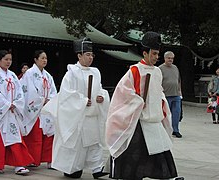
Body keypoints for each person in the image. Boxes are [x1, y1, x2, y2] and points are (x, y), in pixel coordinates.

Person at [105, 32, 184, 180]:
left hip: (153, 118)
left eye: (157, 54)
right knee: (134, 151)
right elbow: (123, 93)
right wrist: (137, 101)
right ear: (145, 53)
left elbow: (159, 93)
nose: (156, 57)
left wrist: (161, 105)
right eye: (153, 54)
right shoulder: (135, 70)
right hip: (138, 119)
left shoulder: (157, 72)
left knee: (160, 149)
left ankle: (167, 177)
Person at [41, 37, 110, 179]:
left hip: (92, 115)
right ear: (79, 55)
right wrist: (83, 101)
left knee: (94, 142)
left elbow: (100, 89)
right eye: (87, 55)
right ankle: (72, 168)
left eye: (92, 55)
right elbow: (67, 94)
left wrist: (101, 97)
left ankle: (97, 168)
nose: (90, 58)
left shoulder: (96, 72)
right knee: (77, 145)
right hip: (78, 116)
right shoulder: (72, 73)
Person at [0, 50, 33, 175]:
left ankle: (19, 165)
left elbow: (20, 92)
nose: (8, 62)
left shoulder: (13, 75)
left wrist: (16, 103)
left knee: (14, 137)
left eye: (10, 59)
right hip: (0, 112)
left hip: (11, 112)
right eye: (6, 59)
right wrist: (7, 104)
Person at [20, 50, 57, 169]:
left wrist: (49, 100)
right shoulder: (29, 74)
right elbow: (28, 91)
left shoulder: (48, 75)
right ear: (35, 60)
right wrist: (41, 100)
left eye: (46, 58)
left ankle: (50, 160)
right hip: (35, 109)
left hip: (46, 109)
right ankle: (31, 159)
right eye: (42, 58)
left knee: (49, 134)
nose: (45, 60)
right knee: (34, 136)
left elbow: (53, 91)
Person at [159, 51, 183, 138]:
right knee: (166, 115)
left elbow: (178, 80)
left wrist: (180, 92)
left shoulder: (175, 68)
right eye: (169, 58)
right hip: (166, 95)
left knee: (176, 113)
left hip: (176, 94)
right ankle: (165, 130)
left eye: (172, 58)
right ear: (165, 58)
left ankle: (175, 130)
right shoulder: (160, 68)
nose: (170, 60)